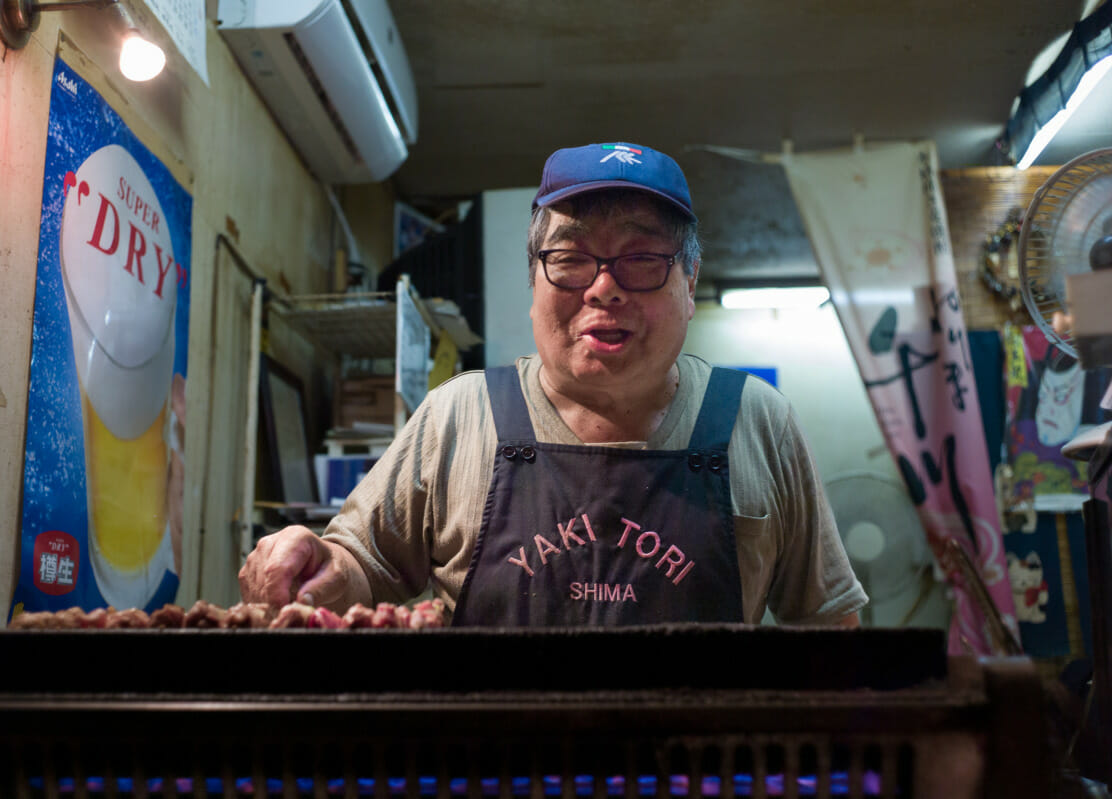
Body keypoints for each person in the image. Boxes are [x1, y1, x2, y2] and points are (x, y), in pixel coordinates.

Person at [240, 141, 866, 627]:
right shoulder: (459, 415)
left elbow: (827, 618)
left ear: (691, 277)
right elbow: (361, 567)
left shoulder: (756, 421)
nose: (603, 287)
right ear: (534, 278)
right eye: (570, 260)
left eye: (642, 260)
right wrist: (318, 567)